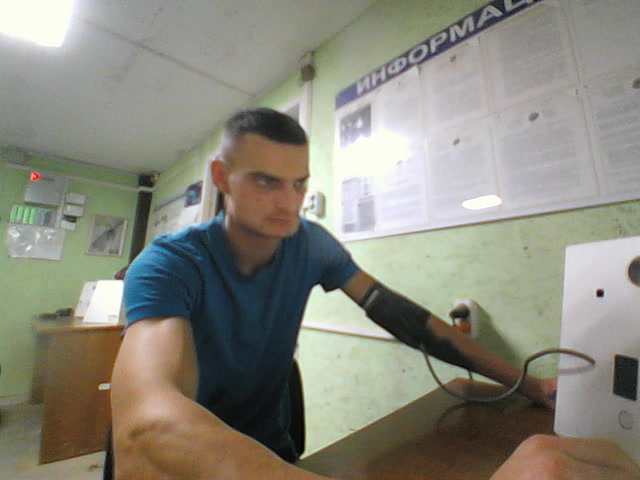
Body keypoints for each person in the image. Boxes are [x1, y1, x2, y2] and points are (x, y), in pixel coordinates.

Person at [110, 107, 640, 480]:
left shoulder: (310, 245)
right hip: (186, 464)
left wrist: (528, 384)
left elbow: (407, 319)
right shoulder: (169, 265)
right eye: (266, 181)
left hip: (270, 456)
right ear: (222, 177)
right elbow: (147, 429)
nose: (288, 202)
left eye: (299, 183)